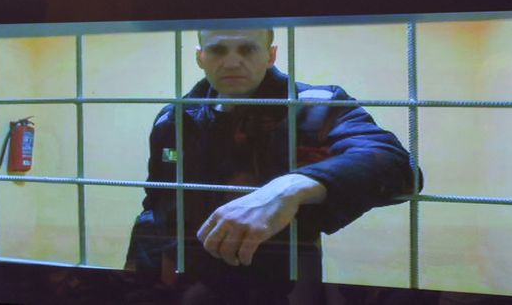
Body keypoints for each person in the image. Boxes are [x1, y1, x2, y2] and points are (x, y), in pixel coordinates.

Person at [126, 29, 417, 304]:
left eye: (247, 48)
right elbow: (156, 206)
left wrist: (290, 188)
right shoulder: (174, 117)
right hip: (189, 281)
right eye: (217, 49)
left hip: (286, 283)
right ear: (199, 56)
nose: (231, 61)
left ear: (271, 54)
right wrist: (139, 282)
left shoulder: (316, 106)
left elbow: (395, 164)